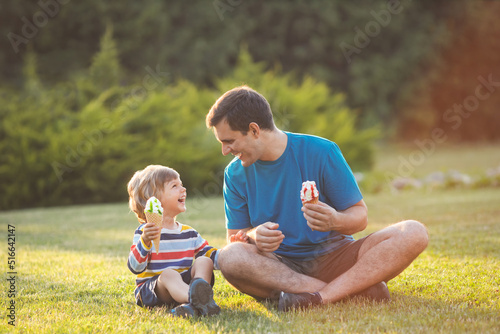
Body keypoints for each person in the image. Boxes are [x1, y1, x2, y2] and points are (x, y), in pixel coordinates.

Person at [205, 85, 429, 311]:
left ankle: (318, 297)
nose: (225, 150)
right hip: (278, 268)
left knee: (413, 231)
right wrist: (254, 236)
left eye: (229, 141)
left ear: (254, 130)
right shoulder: (234, 174)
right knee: (229, 257)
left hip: (337, 257)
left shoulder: (321, 151)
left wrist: (335, 220)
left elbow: (360, 217)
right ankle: (352, 291)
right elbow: (234, 238)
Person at [127, 164, 220, 317]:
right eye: (175, 186)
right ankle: (196, 299)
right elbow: (135, 267)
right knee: (169, 274)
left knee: (205, 261)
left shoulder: (189, 233)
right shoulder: (145, 232)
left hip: (182, 285)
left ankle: (196, 301)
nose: (183, 189)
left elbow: (211, 256)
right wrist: (145, 241)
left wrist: (230, 253)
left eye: (182, 185)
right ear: (153, 199)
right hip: (153, 290)